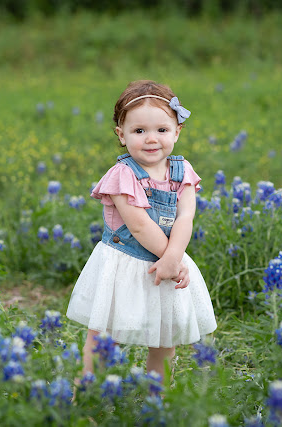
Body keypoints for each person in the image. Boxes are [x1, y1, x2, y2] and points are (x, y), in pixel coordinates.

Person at [66, 80, 217, 383]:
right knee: (104, 339)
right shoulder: (122, 175)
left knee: (164, 341)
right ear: (121, 136)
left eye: (161, 130)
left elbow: (186, 216)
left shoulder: (183, 171)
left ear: (177, 131)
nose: (151, 139)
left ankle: (156, 399)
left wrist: (174, 258)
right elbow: (138, 225)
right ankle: (87, 395)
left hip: (168, 263)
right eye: (139, 131)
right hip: (125, 265)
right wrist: (173, 259)